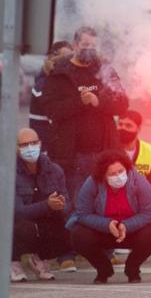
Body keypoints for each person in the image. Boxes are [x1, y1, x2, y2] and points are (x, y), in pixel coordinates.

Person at [43, 26, 129, 203]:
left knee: (106, 203)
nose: (89, 49)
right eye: (85, 44)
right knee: (76, 205)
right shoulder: (59, 73)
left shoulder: (105, 70)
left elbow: (122, 104)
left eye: (93, 46)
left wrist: (99, 102)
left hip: (104, 153)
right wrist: (79, 102)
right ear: (75, 45)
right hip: (72, 156)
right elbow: (50, 109)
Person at [67, 150, 151, 284]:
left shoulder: (138, 180)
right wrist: (106, 224)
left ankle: (132, 268)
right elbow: (82, 213)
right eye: (112, 174)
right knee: (78, 233)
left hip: (131, 230)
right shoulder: (92, 182)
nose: (118, 176)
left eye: (120, 171)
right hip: (103, 231)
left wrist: (126, 225)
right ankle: (103, 269)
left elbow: (148, 212)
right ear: (103, 176)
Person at [12, 128, 73, 282]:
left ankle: (40, 259)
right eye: (24, 145)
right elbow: (17, 211)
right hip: (18, 222)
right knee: (22, 227)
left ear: (40, 143)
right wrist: (47, 205)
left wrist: (60, 205)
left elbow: (67, 201)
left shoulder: (54, 170)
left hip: (44, 219)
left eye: (33, 143)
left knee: (67, 226)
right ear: (16, 148)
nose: (30, 148)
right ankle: (13, 262)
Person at [118, 110, 151, 233]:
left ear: (139, 128)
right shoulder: (111, 147)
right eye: (120, 124)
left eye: (128, 126)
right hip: (116, 203)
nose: (123, 129)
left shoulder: (148, 150)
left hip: (139, 203)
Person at [29, 41, 73, 152]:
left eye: (71, 57)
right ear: (53, 57)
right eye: (65, 57)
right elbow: (56, 112)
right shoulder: (44, 83)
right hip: (45, 147)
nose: (69, 62)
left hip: (55, 146)